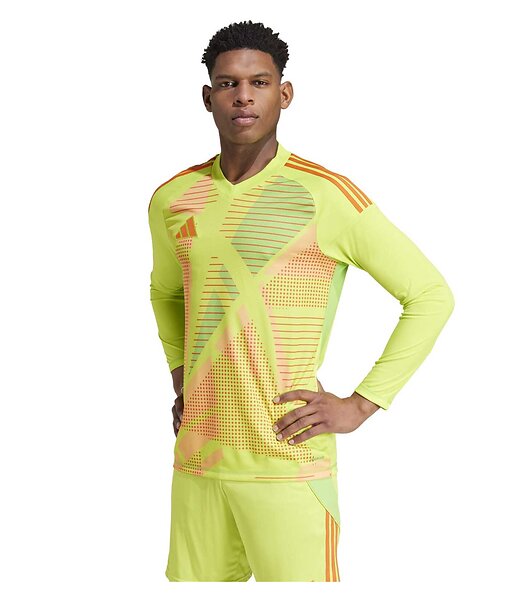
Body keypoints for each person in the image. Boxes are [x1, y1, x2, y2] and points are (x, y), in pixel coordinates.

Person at [147, 19, 455, 583]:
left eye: (259, 83)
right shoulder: (173, 197)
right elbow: (166, 291)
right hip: (197, 463)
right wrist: (182, 375)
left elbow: (430, 295)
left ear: (284, 94)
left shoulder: (325, 194)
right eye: (228, 83)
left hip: (288, 464)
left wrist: (361, 404)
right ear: (208, 97)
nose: (243, 96)